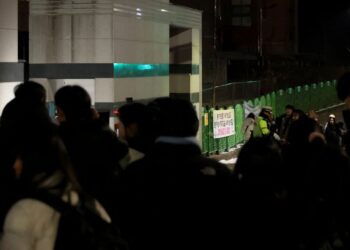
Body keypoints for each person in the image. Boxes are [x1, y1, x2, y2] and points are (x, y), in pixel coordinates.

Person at [54, 85, 128, 223]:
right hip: (109, 207)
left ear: (61, 111)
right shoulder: (104, 137)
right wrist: (98, 123)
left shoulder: (60, 140)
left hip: (72, 211)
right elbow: (120, 149)